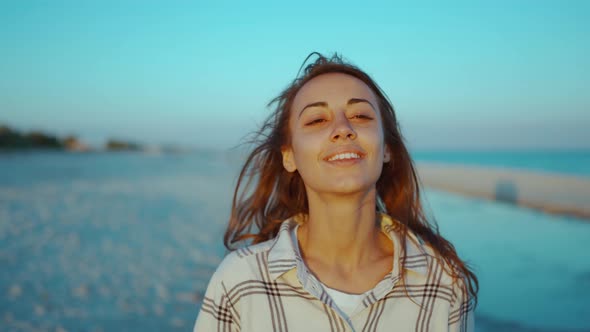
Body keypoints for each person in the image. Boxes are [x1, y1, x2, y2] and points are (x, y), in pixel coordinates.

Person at [193, 53, 478, 331]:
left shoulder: (444, 283)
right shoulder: (239, 282)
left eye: (361, 115)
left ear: (387, 148)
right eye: (317, 120)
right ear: (289, 155)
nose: (343, 129)